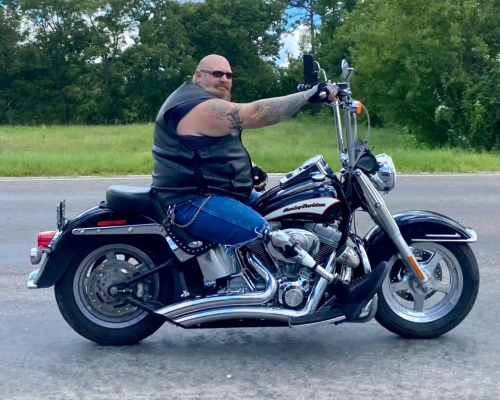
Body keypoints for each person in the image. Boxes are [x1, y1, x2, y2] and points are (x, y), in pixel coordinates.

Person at [151, 54, 388, 320]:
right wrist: (309, 95)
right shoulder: (193, 106)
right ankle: (342, 292)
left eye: (228, 75)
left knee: (291, 210)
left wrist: (248, 172)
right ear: (198, 76)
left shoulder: (207, 104)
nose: (224, 80)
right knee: (273, 236)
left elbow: (211, 151)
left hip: (218, 191)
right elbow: (253, 114)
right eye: (217, 74)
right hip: (193, 201)